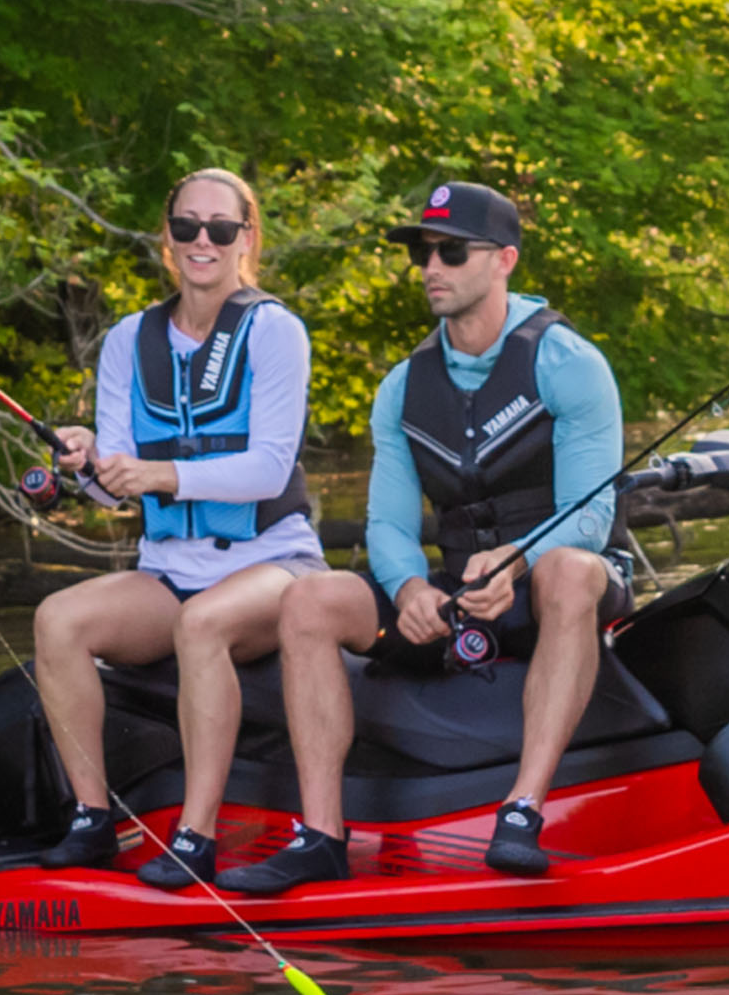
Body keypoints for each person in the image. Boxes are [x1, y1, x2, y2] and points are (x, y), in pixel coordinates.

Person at [218, 180, 630, 894]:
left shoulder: (570, 363)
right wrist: (409, 586)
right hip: (462, 590)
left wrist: (522, 557)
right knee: (312, 600)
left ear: (504, 260)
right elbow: (388, 524)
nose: (431, 267)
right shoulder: (403, 387)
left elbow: (590, 517)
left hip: (563, 576)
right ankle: (321, 836)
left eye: (450, 251)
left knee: (567, 567)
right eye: (421, 253)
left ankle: (523, 811)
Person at [32, 168, 327, 887]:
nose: (203, 241)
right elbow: (114, 486)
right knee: (57, 619)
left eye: (220, 229)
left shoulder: (274, 331)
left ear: (245, 241)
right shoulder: (130, 340)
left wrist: (160, 474)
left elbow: (266, 468)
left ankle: (195, 836)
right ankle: (92, 819)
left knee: (203, 626)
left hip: (273, 564)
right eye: (188, 226)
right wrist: (85, 467)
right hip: (171, 567)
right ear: (166, 240)